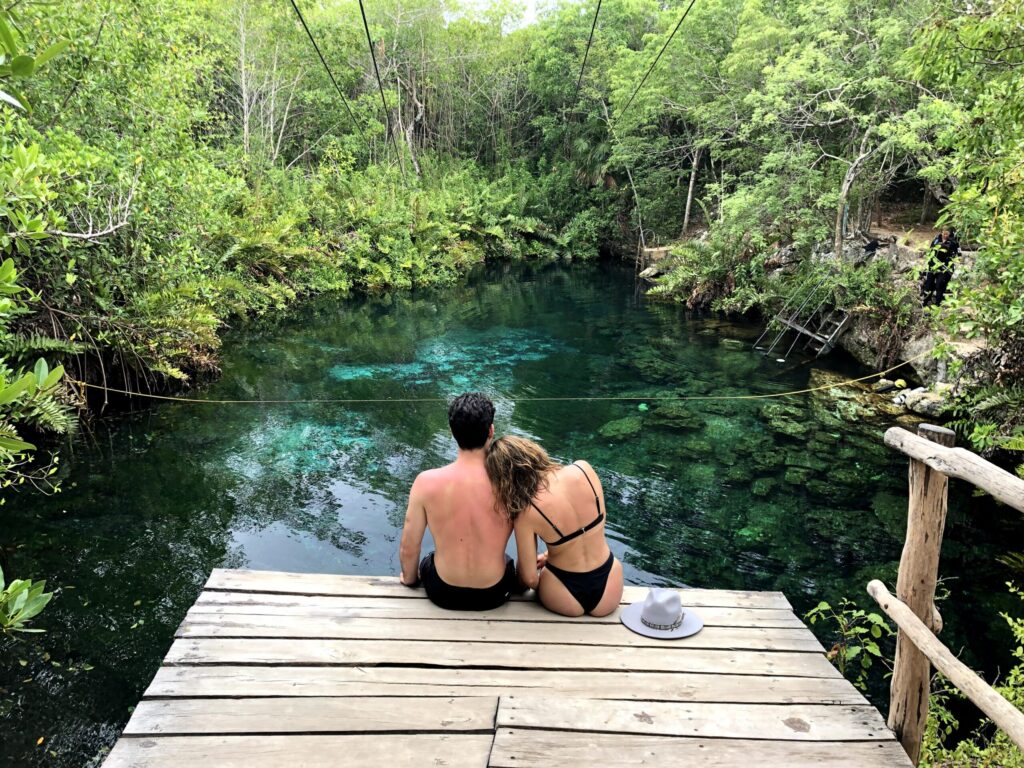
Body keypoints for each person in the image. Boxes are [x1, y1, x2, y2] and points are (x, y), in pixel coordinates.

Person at [398, 392, 517, 610]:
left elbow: (409, 546)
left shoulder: (426, 482)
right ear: (491, 431)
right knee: (506, 559)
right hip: (495, 593)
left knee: (429, 560)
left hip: (442, 592)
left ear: (452, 432)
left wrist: (409, 578)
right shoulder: (509, 483)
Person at [485, 436, 623, 617]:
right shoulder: (584, 469)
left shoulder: (526, 512)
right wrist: (552, 554)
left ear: (505, 479)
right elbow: (589, 529)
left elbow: (529, 578)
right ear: (533, 450)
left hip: (564, 594)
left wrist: (543, 573)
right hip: (610, 584)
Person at [921, 227, 960, 306]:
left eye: (947, 234)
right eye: (944, 234)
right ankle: (925, 302)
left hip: (945, 267)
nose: (945, 235)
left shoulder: (953, 242)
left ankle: (938, 304)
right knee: (929, 284)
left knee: (940, 285)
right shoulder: (936, 240)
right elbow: (931, 250)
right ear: (941, 232)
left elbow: (956, 254)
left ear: (949, 234)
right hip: (933, 265)